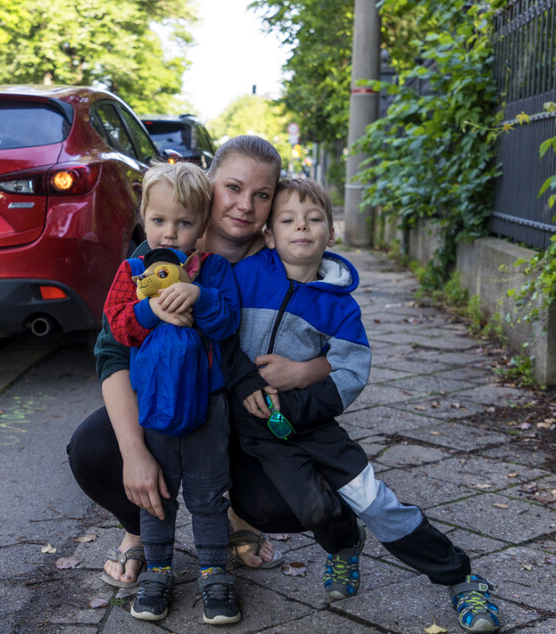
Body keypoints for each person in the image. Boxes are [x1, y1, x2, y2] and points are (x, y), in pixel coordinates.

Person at [67, 136, 351, 598]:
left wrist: (304, 371)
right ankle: (139, 528)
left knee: (281, 503)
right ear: (207, 184)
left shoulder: (285, 258)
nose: (244, 205)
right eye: (233, 188)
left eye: (262, 195)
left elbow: (338, 341)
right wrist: (135, 453)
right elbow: (113, 351)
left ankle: (235, 514)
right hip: (165, 405)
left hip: (244, 413)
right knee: (94, 450)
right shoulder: (159, 252)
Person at [223, 177, 500, 634]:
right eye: (288, 220)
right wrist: (245, 380)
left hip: (314, 426)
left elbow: (352, 372)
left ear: (331, 233)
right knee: (314, 511)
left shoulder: (340, 306)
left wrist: (296, 396)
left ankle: (461, 578)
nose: (302, 228)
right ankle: (346, 546)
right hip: (262, 433)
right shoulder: (245, 277)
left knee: (376, 502)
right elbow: (220, 332)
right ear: (269, 235)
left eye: (314, 219)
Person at [102, 161, 241, 624]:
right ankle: (158, 571)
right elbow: (118, 327)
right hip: (153, 406)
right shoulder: (133, 270)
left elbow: (227, 323)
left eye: (183, 223)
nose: (169, 233)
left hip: (208, 406)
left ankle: (215, 572)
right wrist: (149, 312)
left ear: (201, 228)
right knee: (157, 493)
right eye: (159, 221)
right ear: (144, 217)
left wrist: (200, 298)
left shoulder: (212, 270)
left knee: (208, 493)